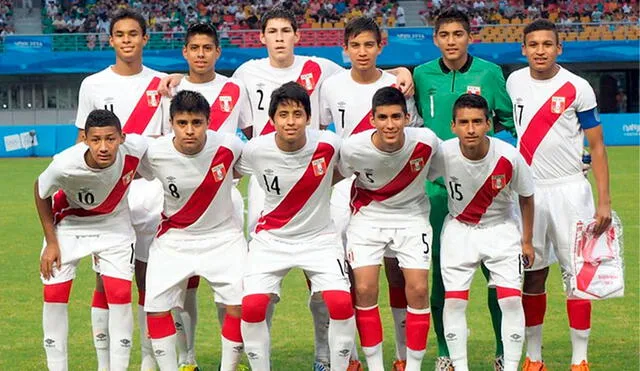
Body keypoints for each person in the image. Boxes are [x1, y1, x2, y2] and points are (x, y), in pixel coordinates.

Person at [412, 7, 515, 370]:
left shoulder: (489, 72)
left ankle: (504, 352)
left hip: (488, 191)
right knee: (441, 274)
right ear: (436, 39)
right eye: (445, 35)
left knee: (497, 277)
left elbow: (508, 124)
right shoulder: (421, 75)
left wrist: (486, 161)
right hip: (439, 190)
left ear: (469, 37)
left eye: (458, 34)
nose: (451, 41)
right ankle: (444, 353)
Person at [507, 19, 612, 371]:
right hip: (529, 193)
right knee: (532, 274)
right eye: (533, 44)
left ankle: (579, 359)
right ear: (523, 49)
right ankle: (534, 359)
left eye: (547, 44)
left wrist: (604, 201)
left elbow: (597, 147)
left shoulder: (577, 86)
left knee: (577, 274)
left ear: (558, 48)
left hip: (570, 191)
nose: (540, 50)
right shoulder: (514, 81)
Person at [319, 16, 422, 371]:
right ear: (344, 48)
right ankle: (352, 356)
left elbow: (413, 135)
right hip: (348, 192)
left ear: (381, 45)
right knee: (353, 278)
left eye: (369, 44)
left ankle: (403, 355)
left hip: (396, 194)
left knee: (398, 274)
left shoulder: (400, 83)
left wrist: (402, 72)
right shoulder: (330, 86)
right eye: (355, 45)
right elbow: (320, 132)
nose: (362, 52)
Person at [236, 82, 356, 371]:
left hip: (320, 238)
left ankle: (331, 365)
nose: (291, 121)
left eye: (298, 114)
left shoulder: (329, 145)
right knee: (252, 307)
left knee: (340, 304)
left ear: (309, 117)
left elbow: (345, 170)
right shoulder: (254, 150)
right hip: (271, 240)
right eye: (284, 115)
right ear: (272, 119)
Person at [74, 9, 170, 370]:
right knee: (106, 281)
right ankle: (106, 364)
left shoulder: (163, 83)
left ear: (145, 38)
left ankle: (147, 361)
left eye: (134, 33)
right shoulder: (93, 85)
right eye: (120, 34)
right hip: (109, 196)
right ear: (111, 40)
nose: (127, 40)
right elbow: (82, 141)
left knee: (149, 280)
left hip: (150, 193)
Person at [137, 91, 246, 371]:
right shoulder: (154, 152)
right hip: (174, 239)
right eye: (182, 122)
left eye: (196, 122)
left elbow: (248, 168)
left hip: (223, 238)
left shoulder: (230, 146)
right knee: (155, 307)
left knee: (238, 306)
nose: (189, 130)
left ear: (208, 122)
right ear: (170, 122)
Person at [429, 94, 535, 371]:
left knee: (511, 299)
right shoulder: (443, 153)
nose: (471, 129)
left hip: (501, 229)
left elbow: (527, 196)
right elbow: (417, 177)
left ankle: (509, 366)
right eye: (464, 123)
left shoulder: (509, 156)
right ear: (453, 126)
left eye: (477, 121)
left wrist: (527, 241)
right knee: (454, 303)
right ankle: (460, 367)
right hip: (459, 230)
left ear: (489, 123)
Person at [168, 22, 252, 370]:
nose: (201, 54)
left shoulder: (235, 89)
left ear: (218, 52)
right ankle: (187, 359)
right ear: (185, 52)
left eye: (208, 48)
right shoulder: (168, 90)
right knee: (185, 285)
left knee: (230, 285)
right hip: (181, 204)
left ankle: (232, 359)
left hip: (225, 200)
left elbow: (252, 135)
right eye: (194, 48)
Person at [36, 109, 148, 371]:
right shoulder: (64, 164)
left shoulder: (136, 147)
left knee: (120, 294)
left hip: (114, 227)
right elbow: (40, 191)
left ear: (122, 137)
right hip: (68, 226)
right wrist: (51, 242)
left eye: (110, 139)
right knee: (54, 295)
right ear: (85, 138)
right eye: (96, 140)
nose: (104, 147)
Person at [339, 87, 439, 371]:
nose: (390, 124)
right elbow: (341, 175)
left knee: (419, 290)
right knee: (365, 288)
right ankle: (376, 367)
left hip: (412, 218)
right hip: (368, 218)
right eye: (383, 117)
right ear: (372, 119)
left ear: (408, 118)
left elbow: (442, 170)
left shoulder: (427, 143)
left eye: (396, 116)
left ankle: (411, 366)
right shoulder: (353, 148)